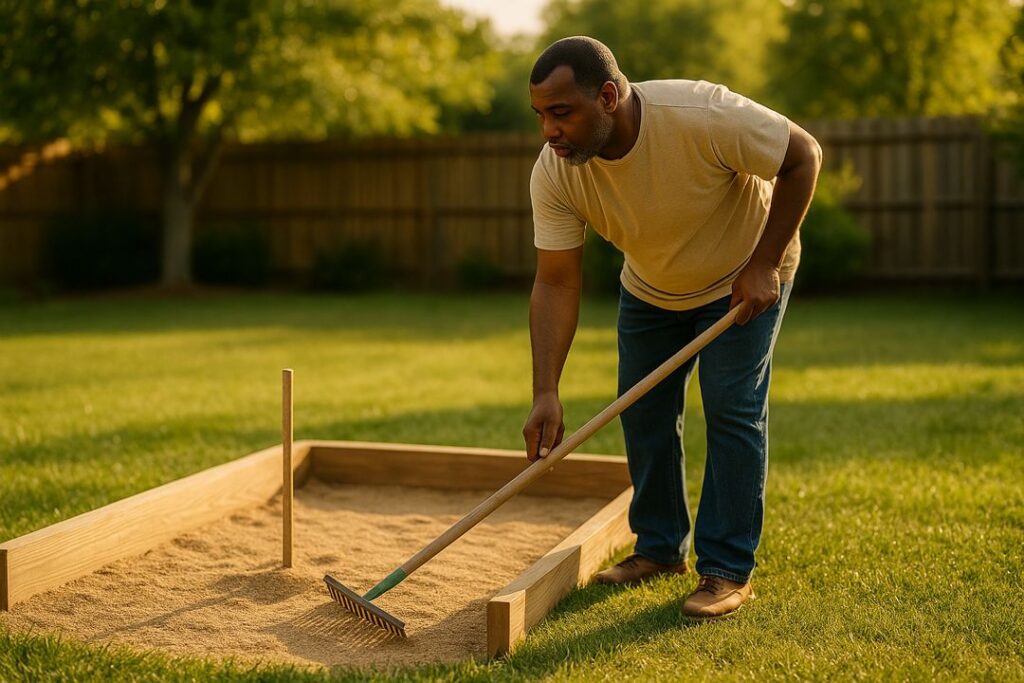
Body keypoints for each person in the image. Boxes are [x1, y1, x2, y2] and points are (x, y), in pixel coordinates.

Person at [521, 36, 821, 619]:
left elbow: (803, 155)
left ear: (608, 96)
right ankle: (659, 549)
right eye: (540, 116)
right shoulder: (555, 173)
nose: (548, 132)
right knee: (645, 409)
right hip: (654, 285)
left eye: (562, 113)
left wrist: (763, 264)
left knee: (732, 404)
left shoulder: (700, 115)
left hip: (745, 273)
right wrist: (546, 390)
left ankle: (727, 569)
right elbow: (556, 281)